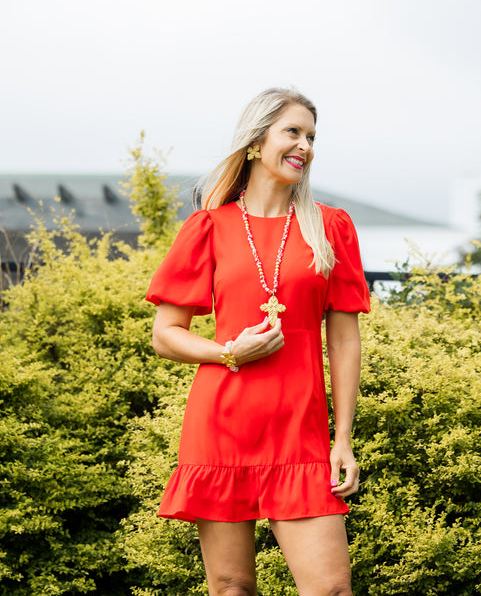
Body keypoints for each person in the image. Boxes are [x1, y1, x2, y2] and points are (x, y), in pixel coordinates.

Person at [146, 87, 370, 596]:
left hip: (301, 432)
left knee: (331, 590)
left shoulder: (329, 228)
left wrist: (343, 439)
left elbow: (344, 342)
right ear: (255, 141)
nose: (305, 146)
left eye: (312, 136)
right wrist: (228, 351)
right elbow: (165, 335)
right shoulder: (209, 227)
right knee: (231, 588)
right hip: (222, 427)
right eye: (293, 132)